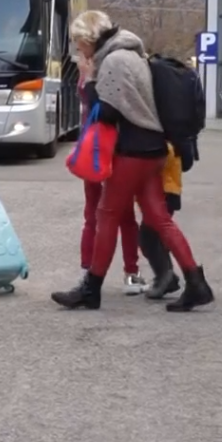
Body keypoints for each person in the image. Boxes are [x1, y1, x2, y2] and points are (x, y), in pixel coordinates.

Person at [52, 10, 213, 311]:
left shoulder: (113, 61)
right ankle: (196, 282)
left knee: (107, 215)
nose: (78, 50)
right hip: (153, 149)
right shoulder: (132, 55)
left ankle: (91, 288)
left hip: (133, 151)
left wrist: (88, 80)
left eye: (78, 43)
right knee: (159, 219)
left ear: (89, 39)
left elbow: (110, 111)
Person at [77, 70, 147, 295]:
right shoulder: (118, 72)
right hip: (116, 149)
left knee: (92, 215)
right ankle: (131, 273)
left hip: (92, 149)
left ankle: (88, 272)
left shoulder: (86, 76)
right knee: (125, 217)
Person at [138, 139, 187, 299]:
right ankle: (165, 276)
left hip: (166, 191)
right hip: (168, 189)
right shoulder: (171, 138)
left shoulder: (165, 143)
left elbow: (162, 163)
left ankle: (165, 275)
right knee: (153, 237)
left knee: (149, 237)